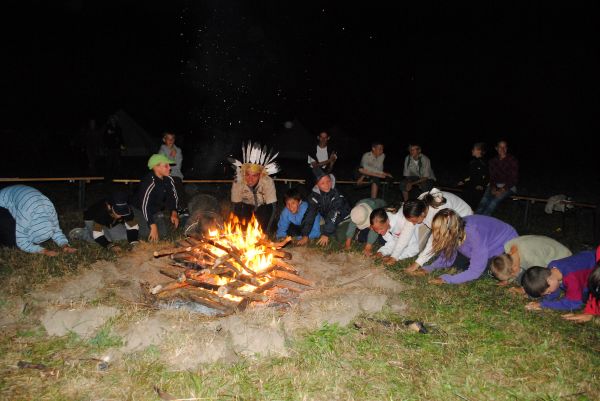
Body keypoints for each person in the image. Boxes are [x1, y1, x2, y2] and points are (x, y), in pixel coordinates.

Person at [414, 209, 518, 284]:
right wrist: (430, 268)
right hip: (479, 244)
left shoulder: (474, 234)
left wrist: (446, 280)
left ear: (451, 232)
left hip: (502, 245)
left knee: (483, 273)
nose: (435, 237)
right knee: (458, 265)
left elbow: (475, 271)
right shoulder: (455, 230)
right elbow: (447, 257)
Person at [402, 189, 473, 271]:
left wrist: (417, 263)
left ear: (422, 214)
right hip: (441, 217)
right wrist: (395, 256)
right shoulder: (417, 205)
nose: (413, 223)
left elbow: (434, 239)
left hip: (463, 217)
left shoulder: (438, 212)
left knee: (453, 255)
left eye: (414, 221)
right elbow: (407, 230)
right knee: (424, 246)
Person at [0, 185, 76, 256]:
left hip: (23, 199)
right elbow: (21, 242)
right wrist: (44, 251)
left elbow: (56, 231)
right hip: (2, 202)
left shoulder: (50, 210)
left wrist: (65, 246)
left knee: (17, 230)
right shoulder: (26, 214)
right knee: (12, 242)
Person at [522, 250, 596, 311]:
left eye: (548, 292)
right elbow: (555, 289)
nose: (549, 293)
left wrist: (543, 305)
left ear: (549, 280)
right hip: (587, 259)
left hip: (595, 266)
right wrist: (542, 301)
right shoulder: (552, 267)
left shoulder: (572, 278)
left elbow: (573, 303)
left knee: (587, 298)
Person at [230, 141, 279, 233]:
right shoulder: (238, 182)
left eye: (254, 175)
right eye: (248, 175)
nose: (250, 179)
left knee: (266, 226)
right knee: (242, 216)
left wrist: (266, 233)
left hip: (263, 208)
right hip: (246, 208)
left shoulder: (268, 181)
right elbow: (236, 207)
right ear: (244, 173)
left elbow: (272, 208)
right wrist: (237, 228)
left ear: (260, 175)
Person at [69, 191, 139, 252]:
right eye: (118, 210)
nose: (121, 214)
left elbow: (132, 226)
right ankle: (83, 233)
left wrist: (134, 243)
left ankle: (103, 230)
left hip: (110, 221)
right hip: (92, 219)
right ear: (109, 206)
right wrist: (110, 246)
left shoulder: (127, 208)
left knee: (124, 236)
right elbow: (97, 233)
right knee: (100, 241)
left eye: (123, 211)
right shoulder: (101, 211)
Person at [132, 154, 180, 242]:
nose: (169, 168)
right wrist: (152, 225)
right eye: (166, 165)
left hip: (155, 209)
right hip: (139, 209)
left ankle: (155, 219)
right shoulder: (149, 182)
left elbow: (173, 197)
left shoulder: (169, 179)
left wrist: (174, 212)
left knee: (163, 234)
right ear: (156, 167)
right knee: (147, 234)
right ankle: (134, 222)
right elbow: (144, 206)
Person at [298, 167, 351, 247]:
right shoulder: (314, 196)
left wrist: (326, 233)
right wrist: (305, 235)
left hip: (344, 219)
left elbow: (334, 213)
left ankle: (352, 228)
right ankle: (330, 229)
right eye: (322, 183)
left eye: (328, 181)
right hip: (329, 218)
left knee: (339, 238)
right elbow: (310, 214)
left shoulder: (337, 194)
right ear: (316, 185)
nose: (327, 185)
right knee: (323, 232)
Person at [489, 235, 572, 286]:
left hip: (564, 261)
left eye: (510, 276)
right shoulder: (509, 249)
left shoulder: (529, 257)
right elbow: (511, 268)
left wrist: (525, 290)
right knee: (523, 277)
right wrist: (508, 280)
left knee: (533, 284)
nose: (510, 278)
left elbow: (540, 275)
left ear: (514, 269)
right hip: (544, 258)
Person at [476, 140, 518, 216]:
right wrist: (493, 188)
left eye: (504, 147)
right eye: (500, 147)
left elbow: (513, 179)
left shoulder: (512, 160)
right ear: (496, 148)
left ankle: (483, 223)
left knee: (493, 202)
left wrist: (502, 190)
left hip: (509, 186)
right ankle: (473, 221)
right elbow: (492, 177)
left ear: (507, 148)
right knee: (483, 202)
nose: (502, 149)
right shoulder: (492, 161)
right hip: (494, 185)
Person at [158, 132, 188, 219]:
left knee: (177, 182)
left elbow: (178, 166)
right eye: (168, 138)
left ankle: (182, 208)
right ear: (164, 140)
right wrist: (172, 158)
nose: (171, 141)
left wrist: (171, 160)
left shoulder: (178, 150)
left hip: (176, 174)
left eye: (172, 139)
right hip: (164, 173)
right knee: (166, 183)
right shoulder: (161, 151)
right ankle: (161, 208)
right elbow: (163, 166)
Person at [457, 142, 488, 209]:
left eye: (473, 149)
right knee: (464, 206)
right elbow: (469, 175)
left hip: (476, 191)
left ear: (479, 151)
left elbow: (486, 176)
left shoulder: (484, 163)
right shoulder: (473, 162)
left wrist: (481, 184)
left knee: (471, 208)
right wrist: (462, 181)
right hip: (469, 188)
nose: (472, 150)